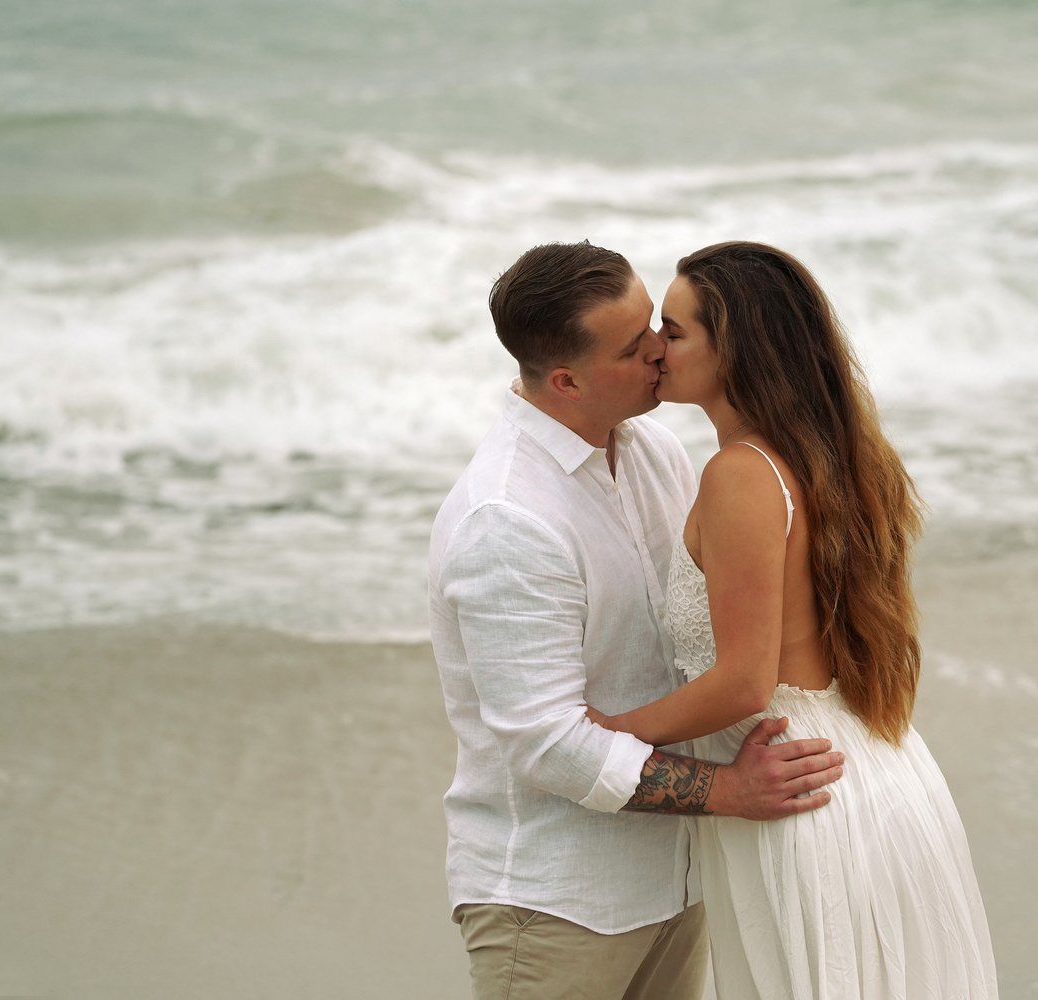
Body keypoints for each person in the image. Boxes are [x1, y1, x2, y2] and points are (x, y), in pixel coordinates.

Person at [427, 241, 847, 1000]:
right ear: (566, 380)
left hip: (680, 881)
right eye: (632, 346)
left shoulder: (655, 450)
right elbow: (548, 744)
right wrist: (727, 792)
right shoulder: (508, 520)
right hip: (558, 904)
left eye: (654, 322)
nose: (660, 348)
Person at [587, 241, 1000, 999]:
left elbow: (744, 683)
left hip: (797, 790)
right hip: (867, 770)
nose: (655, 349)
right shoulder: (824, 456)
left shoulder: (742, 474)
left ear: (735, 349)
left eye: (674, 332)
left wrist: (603, 735)